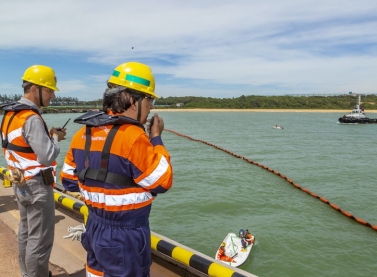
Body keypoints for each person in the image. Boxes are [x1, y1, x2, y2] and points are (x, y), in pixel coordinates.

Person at [60, 61, 173, 277]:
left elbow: (68, 180)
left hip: (94, 225)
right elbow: (163, 181)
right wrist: (156, 138)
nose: (151, 107)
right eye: (150, 100)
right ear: (133, 100)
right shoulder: (134, 137)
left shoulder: (82, 134)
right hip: (126, 235)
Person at [0, 65, 66, 277]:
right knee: (40, 240)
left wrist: (45, 135)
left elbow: (20, 145)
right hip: (37, 186)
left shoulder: (11, 114)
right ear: (35, 89)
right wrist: (55, 138)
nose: (53, 95)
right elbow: (47, 156)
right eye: (50, 90)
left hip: (21, 184)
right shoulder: (32, 118)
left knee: (26, 234)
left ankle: (27, 273)